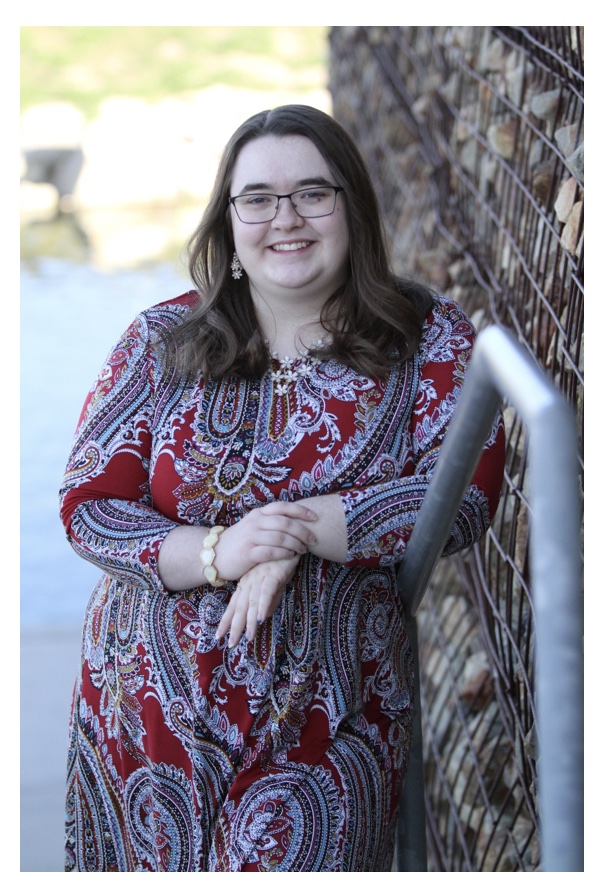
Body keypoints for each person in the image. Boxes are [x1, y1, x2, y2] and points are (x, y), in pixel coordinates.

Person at [59, 104, 505, 872]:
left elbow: (462, 497)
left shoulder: (431, 340)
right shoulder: (159, 341)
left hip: (328, 729)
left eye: (312, 193)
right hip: (142, 727)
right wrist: (220, 551)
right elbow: (89, 507)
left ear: (353, 208)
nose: (285, 218)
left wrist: (291, 529)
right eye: (258, 198)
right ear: (229, 223)